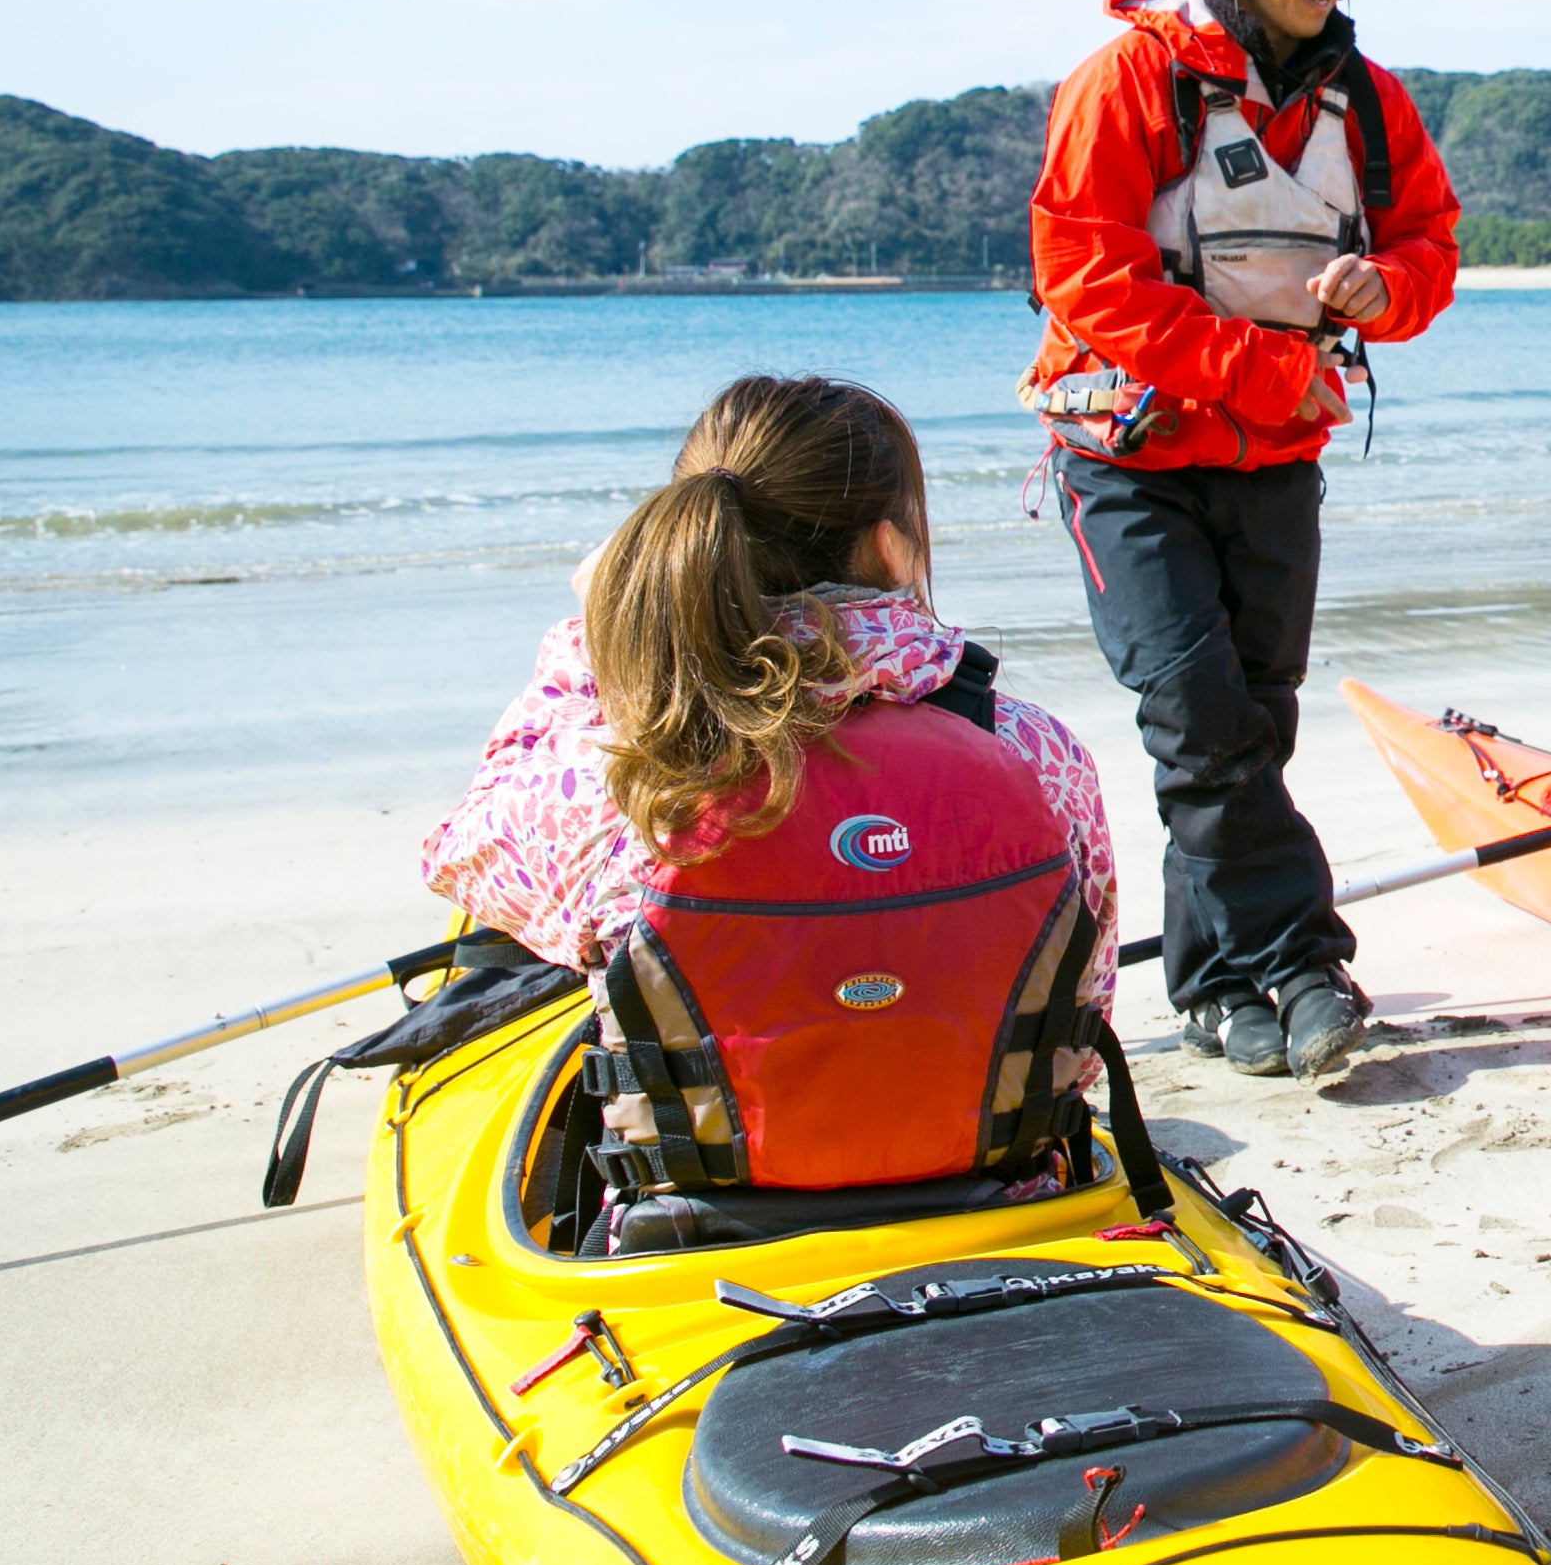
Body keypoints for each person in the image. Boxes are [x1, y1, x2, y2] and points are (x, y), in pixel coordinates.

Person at [420, 376, 1118, 1211]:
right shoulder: (1034, 751)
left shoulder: (627, 775)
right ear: (894, 549)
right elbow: (1084, 1002)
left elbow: (459, 852)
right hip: (1001, 1189)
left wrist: (596, 645)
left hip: (707, 1225)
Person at [1022, 0, 1462, 1081]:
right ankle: (1305, 958)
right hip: (1127, 455)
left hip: (1276, 457)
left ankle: (1217, 982)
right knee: (1197, 714)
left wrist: (1394, 290)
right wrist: (1269, 367)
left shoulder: (1370, 101)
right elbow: (1082, 277)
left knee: (1246, 720)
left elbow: (1430, 243)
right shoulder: (1125, 80)